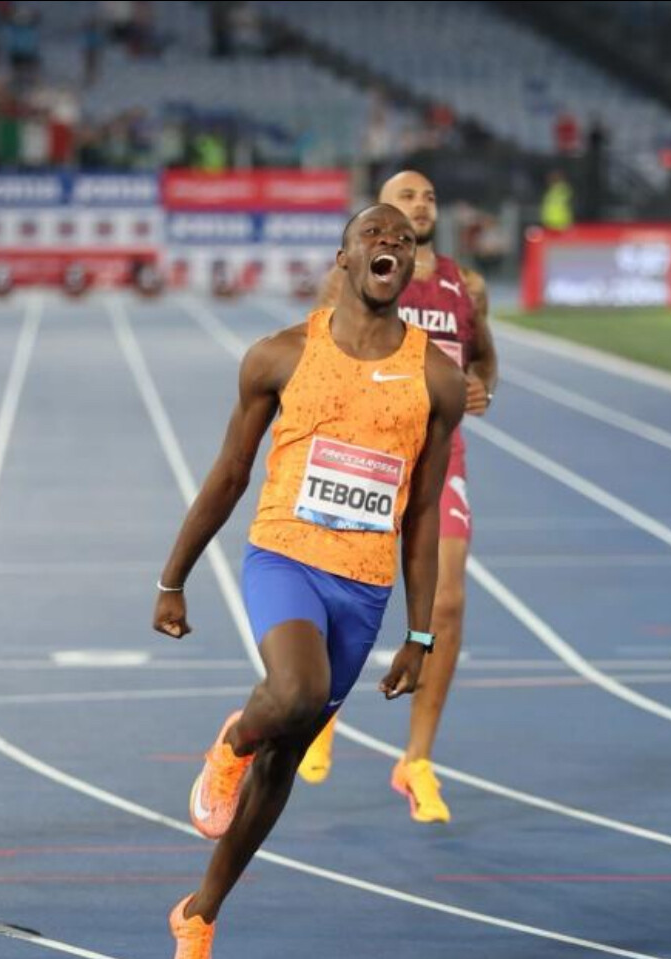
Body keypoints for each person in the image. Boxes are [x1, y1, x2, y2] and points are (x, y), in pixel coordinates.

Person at [153, 204, 466, 958]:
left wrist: (420, 634)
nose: (391, 242)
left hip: (364, 587)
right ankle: (232, 741)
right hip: (285, 556)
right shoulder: (281, 355)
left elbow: (423, 515)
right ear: (345, 258)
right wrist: (173, 576)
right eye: (374, 234)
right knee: (294, 693)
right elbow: (230, 473)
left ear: (410, 263)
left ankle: (200, 913)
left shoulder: (436, 378)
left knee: (286, 757)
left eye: (403, 238)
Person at [298, 170, 498, 825]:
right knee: (345, 588)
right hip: (368, 448)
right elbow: (318, 350)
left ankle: (416, 759)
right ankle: (322, 710)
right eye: (405, 196)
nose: (420, 204)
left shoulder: (467, 286)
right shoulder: (356, 273)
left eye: (429, 197)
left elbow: (483, 360)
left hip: (440, 451)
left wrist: (480, 386)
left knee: (448, 598)